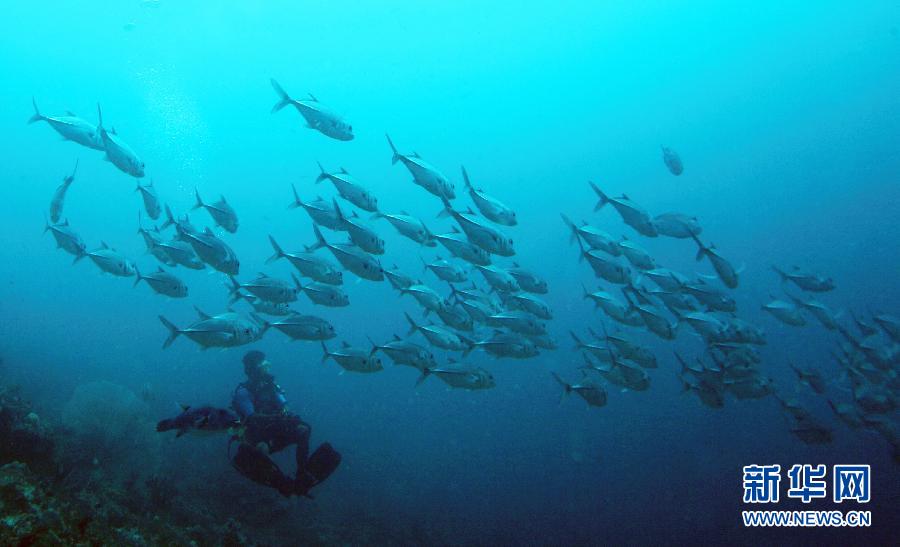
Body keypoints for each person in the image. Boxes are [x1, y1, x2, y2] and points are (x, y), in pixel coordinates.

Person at [230, 350, 341, 497]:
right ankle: (281, 483)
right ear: (252, 369)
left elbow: (284, 407)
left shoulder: (271, 387)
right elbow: (251, 418)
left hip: (276, 432)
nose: (266, 369)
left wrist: (288, 416)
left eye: (266, 366)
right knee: (260, 450)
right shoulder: (243, 392)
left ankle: (302, 474)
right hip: (257, 436)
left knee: (303, 429)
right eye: (262, 366)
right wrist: (276, 417)